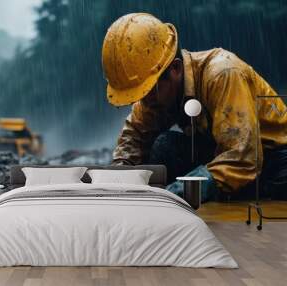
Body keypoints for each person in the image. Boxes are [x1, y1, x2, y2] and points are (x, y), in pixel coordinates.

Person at [102, 13, 287, 201]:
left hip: (272, 159)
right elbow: (134, 136)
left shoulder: (223, 74)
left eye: (148, 91)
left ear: (175, 69)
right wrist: (118, 178)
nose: (144, 101)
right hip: (221, 152)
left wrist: (183, 190)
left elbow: (244, 156)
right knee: (164, 147)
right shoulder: (156, 94)